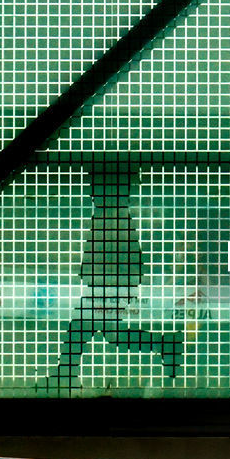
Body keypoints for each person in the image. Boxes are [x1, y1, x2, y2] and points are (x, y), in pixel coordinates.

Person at [39, 166, 182, 392]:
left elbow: (107, 256)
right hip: (111, 284)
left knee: (84, 328)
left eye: (95, 188)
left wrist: (96, 278)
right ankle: (164, 344)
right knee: (106, 333)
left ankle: (66, 372)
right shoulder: (116, 217)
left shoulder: (111, 218)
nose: (92, 193)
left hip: (108, 285)